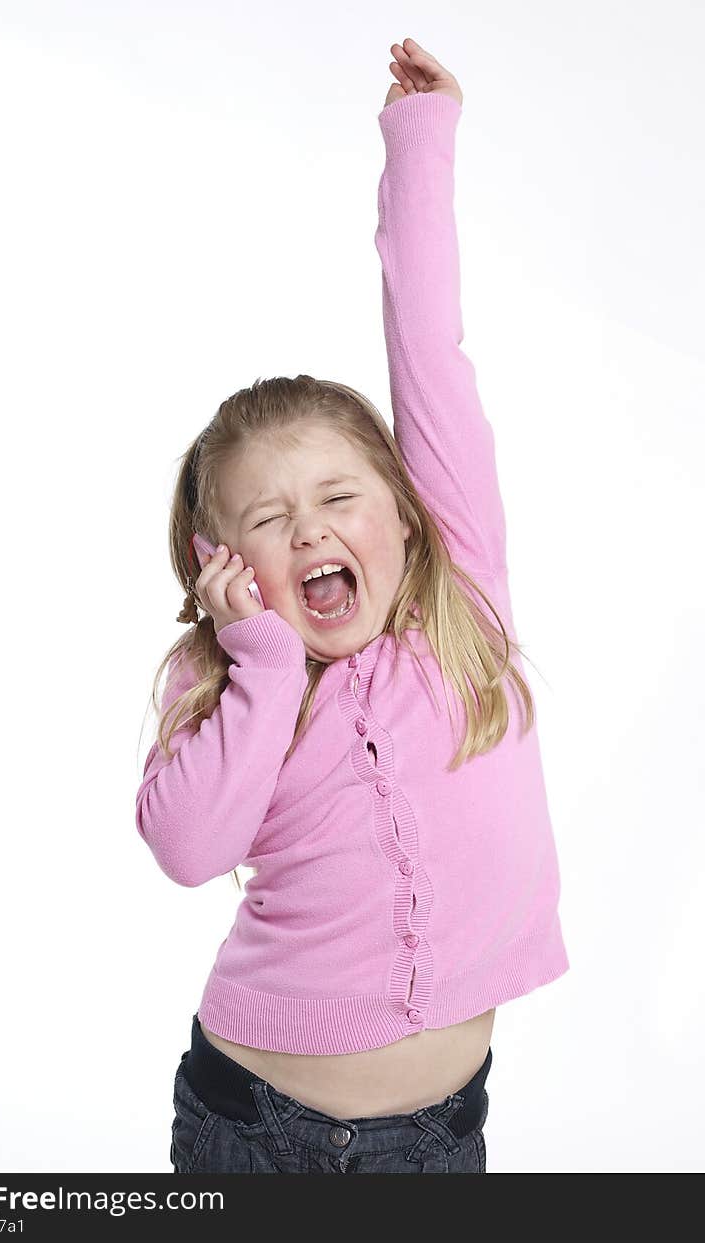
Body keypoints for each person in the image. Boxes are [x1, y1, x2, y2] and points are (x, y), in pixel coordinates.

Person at [136, 37, 570, 1175]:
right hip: (246, 1123)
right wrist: (264, 666)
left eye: (337, 497)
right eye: (269, 522)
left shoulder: (457, 602)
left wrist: (418, 141)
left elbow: (429, 345)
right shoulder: (224, 681)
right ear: (221, 563)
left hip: (433, 1137)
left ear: (412, 512)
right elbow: (189, 850)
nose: (310, 529)